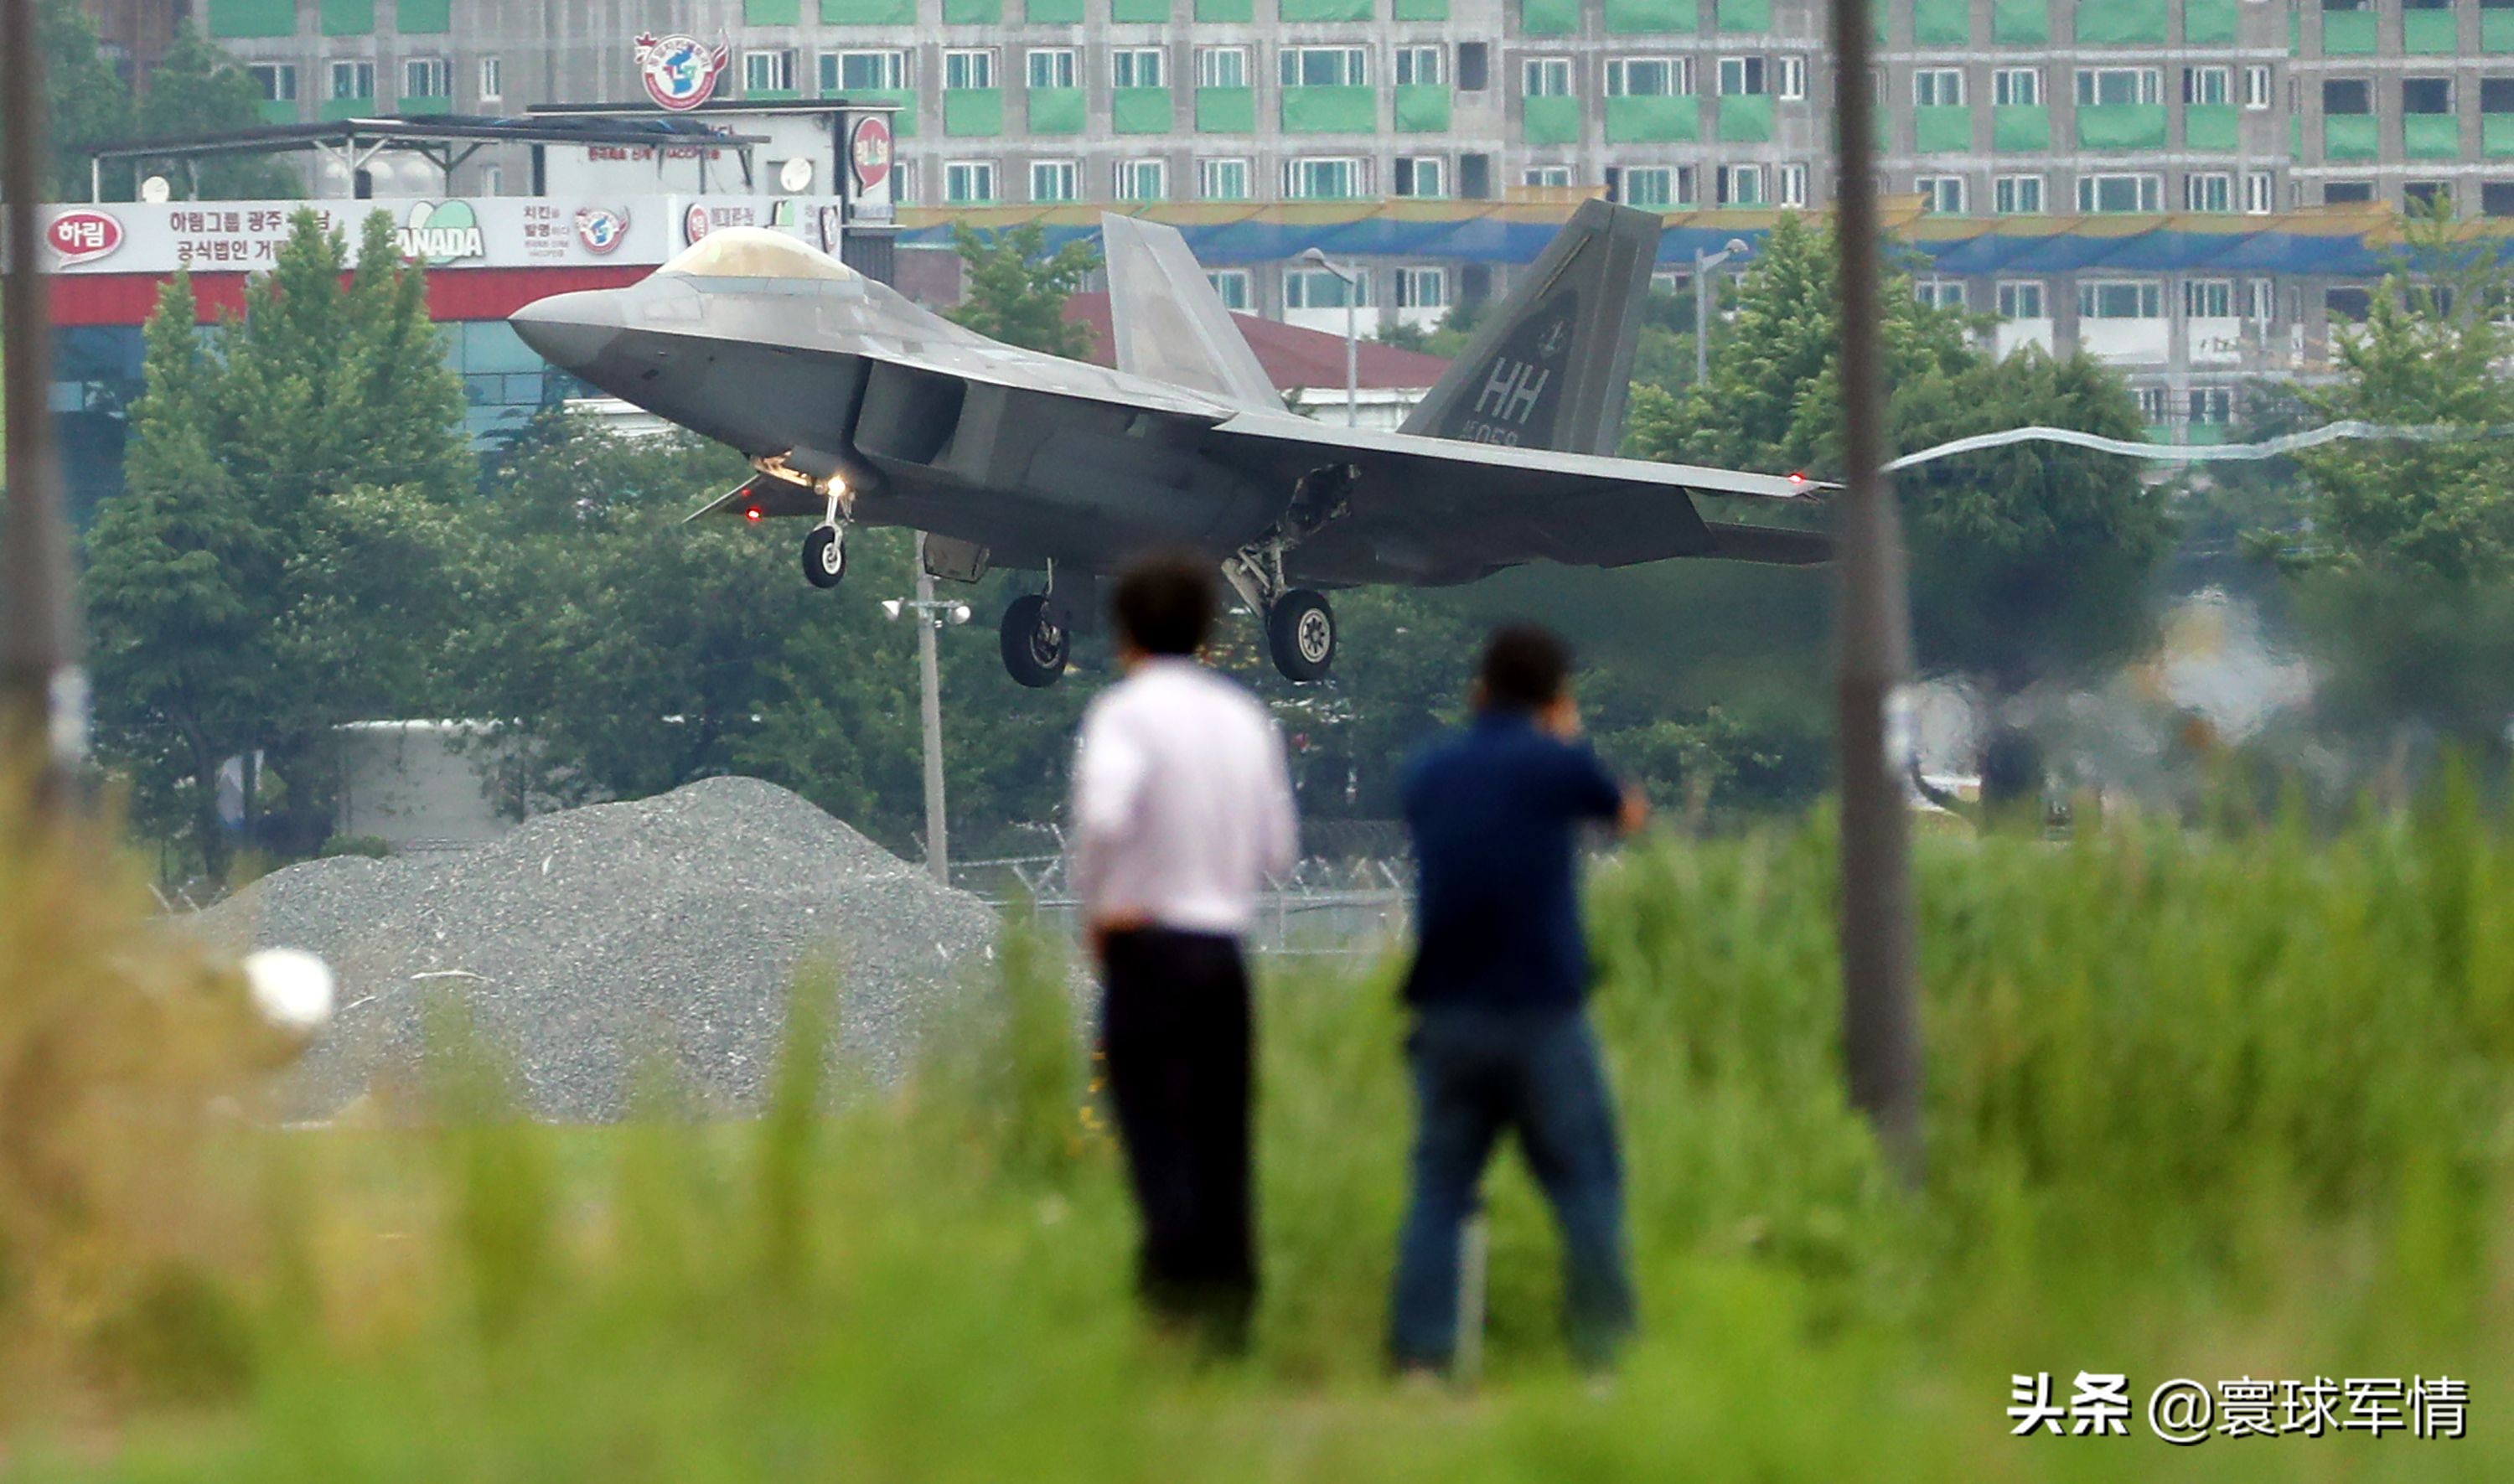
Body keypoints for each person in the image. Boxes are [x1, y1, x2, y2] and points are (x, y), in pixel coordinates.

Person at [1388, 623, 1649, 1376]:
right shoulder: (1556, 764)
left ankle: (1422, 1360)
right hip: (1541, 1011)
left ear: (1478, 691)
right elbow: (1625, 813)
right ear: (1557, 699)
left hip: (1447, 1012)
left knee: (1439, 1187)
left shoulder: (1431, 771)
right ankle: (1602, 1357)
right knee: (1586, 1184)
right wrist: (1565, 736)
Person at [1068, 553, 1299, 1352]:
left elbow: (1102, 818)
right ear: (1209, 628)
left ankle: (1171, 1306)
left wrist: (1096, 910)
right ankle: (1233, 1315)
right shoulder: (1243, 717)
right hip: (1221, 956)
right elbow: (1278, 850)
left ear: (1124, 633)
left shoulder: (1123, 714)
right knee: (1224, 1133)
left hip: (1144, 953)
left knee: (1156, 1134)